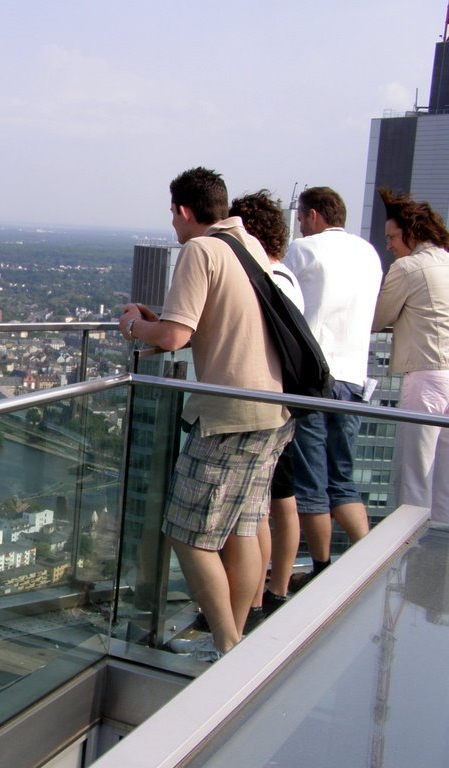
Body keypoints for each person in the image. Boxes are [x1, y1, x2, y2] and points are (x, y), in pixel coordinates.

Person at [118, 168, 293, 659]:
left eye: (172, 215)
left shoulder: (200, 250)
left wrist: (134, 326)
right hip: (273, 410)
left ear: (183, 210)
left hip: (227, 415)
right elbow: (201, 326)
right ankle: (235, 640)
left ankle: (227, 642)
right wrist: (166, 325)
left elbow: (175, 338)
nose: (173, 226)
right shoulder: (249, 247)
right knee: (241, 526)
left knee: (188, 534)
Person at [283, 186, 382, 589]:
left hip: (314, 377)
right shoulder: (369, 254)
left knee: (310, 482)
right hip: (354, 377)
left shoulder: (305, 251)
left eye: (303, 218)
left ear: (314, 216)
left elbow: (281, 302)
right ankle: (371, 558)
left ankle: (321, 570)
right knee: (342, 477)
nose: (302, 227)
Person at [228, 191, 303, 625]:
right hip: (283, 409)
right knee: (266, 507)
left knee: (250, 514)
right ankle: (258, 602)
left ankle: (244, 610)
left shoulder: (261, 279)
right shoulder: (288, 278)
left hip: (258, 409)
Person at [372, 187, 449, 522]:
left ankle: (407, 566)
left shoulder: (408, 268)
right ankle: (437, 569)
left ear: (411, 232)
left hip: (424, 377)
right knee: (444, 483)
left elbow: (378, 318)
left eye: (392, 237)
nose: (389, 246)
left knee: (413, 479)